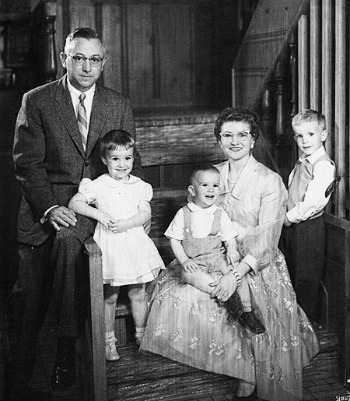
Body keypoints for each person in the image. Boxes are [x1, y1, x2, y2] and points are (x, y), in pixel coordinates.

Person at [140, 107, 320, 401]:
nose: (235, 141)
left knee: (248, 307)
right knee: (181, 295)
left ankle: (250, 369)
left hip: (255, 262)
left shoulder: (269, 180)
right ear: (219, 139)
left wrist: (236, 274)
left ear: (252, 140)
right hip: (212, 254)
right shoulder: (211, 176)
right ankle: (236, 367)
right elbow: (192, 217)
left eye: (242, 135)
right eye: (227, 135)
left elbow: (267, 240)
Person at [7, 27, 142, 400]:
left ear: (104, 63)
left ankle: (66, 350)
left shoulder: (117, 104)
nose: (86, 66)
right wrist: (50, 207)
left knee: (70, 242)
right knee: (27, 298)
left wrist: (112, 203)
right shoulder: (37, 100)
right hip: (42, 209)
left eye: (94, 59)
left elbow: (128, 163)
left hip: (94, 205)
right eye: (78, 57)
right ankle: (17, 373)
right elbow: (26, 163)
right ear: (64, 58)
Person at [68, 129, 164, 361]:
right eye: (115, 159)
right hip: (110, 246)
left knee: (138, 292)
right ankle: (109, 341)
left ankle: (142, 336)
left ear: (133, 158)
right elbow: (75, 203)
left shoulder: (140, 185)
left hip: (133, 244)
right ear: (104, 160)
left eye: (127, 158)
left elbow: (144, 213)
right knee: (109, 296)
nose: (122, 164)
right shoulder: (98, 185)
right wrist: (99, 214)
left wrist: (126, 223)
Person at [165, 163, 265, 334]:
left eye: (215, 185)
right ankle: (225, 295)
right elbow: (174, 240)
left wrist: (232, 250)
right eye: (205, 185)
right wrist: (184, 260)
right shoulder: (184, 213)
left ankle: (247, 311)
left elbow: (229, 238)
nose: (211, 190)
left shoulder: (220, 213)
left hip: (217, 257)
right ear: (192, 189)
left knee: (236, 273)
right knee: (190, 275)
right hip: (195, 261)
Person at [280, 109, 335, 322]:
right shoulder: (302, 161)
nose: (304, 140)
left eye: (310, 135)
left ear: (323, 135)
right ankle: (291, 322)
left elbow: (314, 201)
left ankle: (305, 325)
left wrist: (289, 217)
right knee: (291, 273)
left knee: (306, 279)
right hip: (292, 227)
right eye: (299, 136)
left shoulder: (323, 166)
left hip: (308, 229)